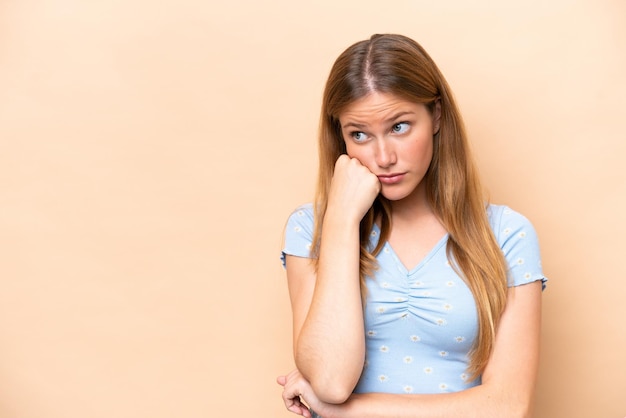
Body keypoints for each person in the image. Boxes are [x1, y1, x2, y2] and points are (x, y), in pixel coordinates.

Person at [277, 33, 547, 418]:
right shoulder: (311, 230)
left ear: (436, 115)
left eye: (399, 127)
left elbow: (507, 406)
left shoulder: (506, 235)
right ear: (340, 138)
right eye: (359, 134)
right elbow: (331, 380)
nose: (383, 157)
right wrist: (341, 219)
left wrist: (343, 412)